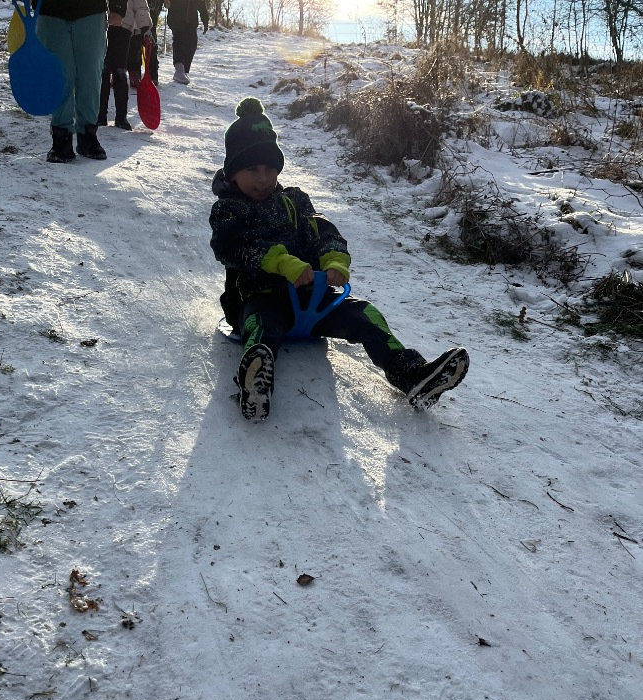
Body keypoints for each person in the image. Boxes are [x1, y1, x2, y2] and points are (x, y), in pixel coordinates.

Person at [209, 98, 470, 421]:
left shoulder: (294, 200)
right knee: (260, 328)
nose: (263, 178)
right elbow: (234, 245)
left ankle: (411, 374)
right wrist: (283, 263)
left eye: (270, 169)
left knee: (365, 314)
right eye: (252, 169)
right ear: (233, 172)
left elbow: (321, 230)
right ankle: (256, 386)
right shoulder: (229, 210)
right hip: (259, 298)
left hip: (310, 300)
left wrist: (334, 260)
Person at [33, 0, 128, 163]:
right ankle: (61, 137)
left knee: (90, 76)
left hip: (91, 11)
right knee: (59, 76)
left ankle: (87, 135)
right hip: (50, 11)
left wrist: (118, 6)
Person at [98, 0, 152, 129]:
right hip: (100, 22)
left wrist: (145, 28)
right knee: (103, 71)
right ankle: (101, 115)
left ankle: (119, 116)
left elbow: (139, 4)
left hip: (123, 24)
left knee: (118, 70)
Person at [163, 0, 208, 84]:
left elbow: (201, 3)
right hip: (176, 16)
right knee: (179, 41)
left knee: (192, 43)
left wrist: (205, 19)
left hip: (192, 19)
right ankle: (179, 69)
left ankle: (184, 70)